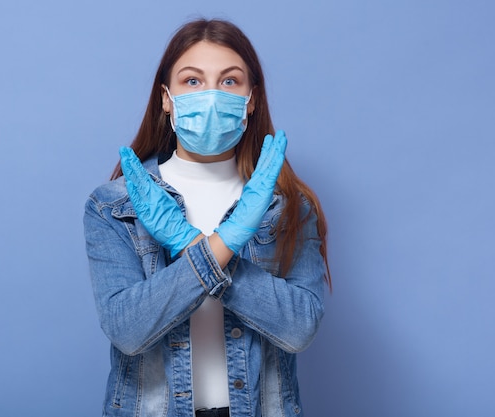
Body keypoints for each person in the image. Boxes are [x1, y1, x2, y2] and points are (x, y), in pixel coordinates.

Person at [84, 18, 331, 417]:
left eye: (230, 81)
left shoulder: (287, 205)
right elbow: (127, 332)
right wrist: (220, 245)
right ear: (166, 98)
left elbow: (300, 328)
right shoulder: (115, 205)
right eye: (193, 81)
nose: (212, 96)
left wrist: (194, 246)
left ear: (250, 99)